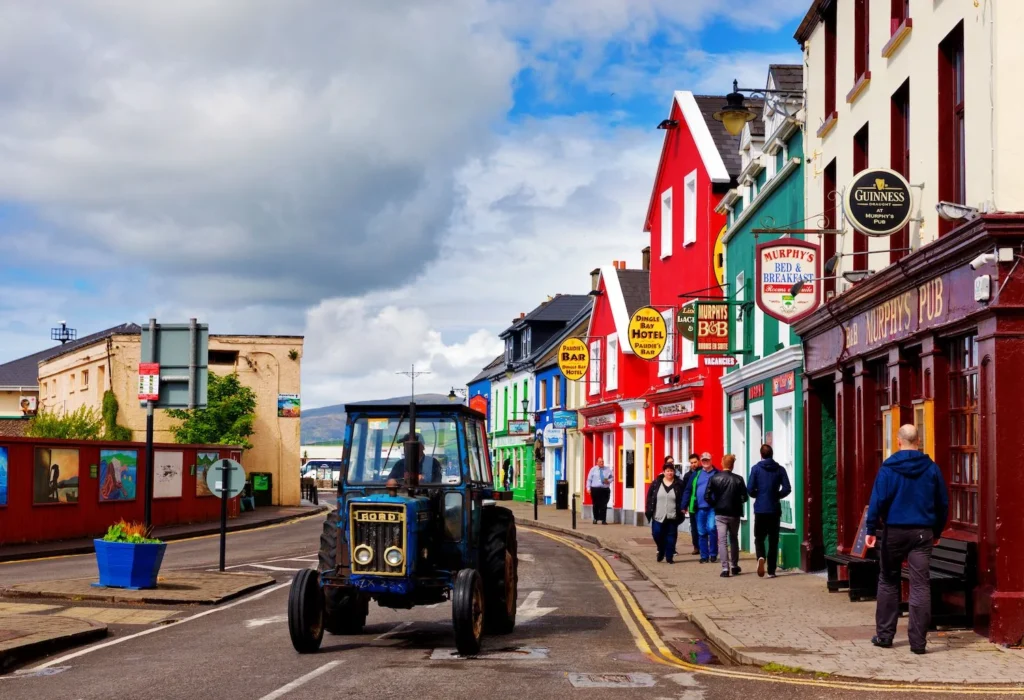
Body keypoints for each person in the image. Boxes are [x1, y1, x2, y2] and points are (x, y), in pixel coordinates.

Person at [866, 424, 949, 655]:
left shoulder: (888, 469)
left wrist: (871, 529)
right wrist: (937, 532)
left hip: (894, 532)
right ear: (918, 441)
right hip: (922, 532)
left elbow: (878, 500)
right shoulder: (931, 469)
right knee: (920, 585)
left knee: (888, 580)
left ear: (899, 441)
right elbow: (943, 503)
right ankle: (918, 643)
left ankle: (884, 636)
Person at [747, 444, 792, 578]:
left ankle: (761, 557)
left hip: (760, 509)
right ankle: (771, 570)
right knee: (773, 540)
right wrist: (777, 495)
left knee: (759, 537)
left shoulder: (755, 469)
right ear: (772, 454)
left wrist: (758, 495)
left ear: (761, 455)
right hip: (774, 509)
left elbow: (749, 489)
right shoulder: (780, 469)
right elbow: (787, 488)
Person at [705, 453, 748, 577]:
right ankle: (734, 566)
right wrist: (736, 502)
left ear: (722, 463)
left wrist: (716, 504)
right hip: (734, 513)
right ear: (732, 465)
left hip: (720, 513)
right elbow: (744, 497)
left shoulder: (714, 478)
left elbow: (707, 496)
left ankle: (725, 569)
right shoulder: (739, 479)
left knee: (722, 541)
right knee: (733, 539)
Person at [645, 460, 685, 564]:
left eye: (671, 471)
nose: (670, 473)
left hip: (673, 515)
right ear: (663, 472)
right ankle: (661, 549)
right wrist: (648, 509)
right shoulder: (656, 483)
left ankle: (669, 556)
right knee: (656, 533)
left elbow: (683, 497)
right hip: (658, 515)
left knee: (671, 536)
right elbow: (650, 497)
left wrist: (683, 507)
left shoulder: (679, 484)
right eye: (667, 471)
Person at [683, 452, 719, 563]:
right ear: (701, 461)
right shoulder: (696, 474)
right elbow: (688, 490)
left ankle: (713, 554)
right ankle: (704, 556)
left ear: (711, 460)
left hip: (713, 507)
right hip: (699, 508)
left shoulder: (717, 473)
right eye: (703, 460)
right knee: (701, 531)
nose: (705, 462)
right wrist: (683, 505)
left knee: (712, 528)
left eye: (707, 460)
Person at [679, 454, 702, 555]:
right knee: (694, 527)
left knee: (702, 526)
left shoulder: (703, 472)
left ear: (699, 461)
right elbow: (685, 491)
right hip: (692, 505)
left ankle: (703, 546)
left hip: (702, 504)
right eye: (691, 463)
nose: (693, 464)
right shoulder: (687, 476)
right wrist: (684, 505)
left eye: (695, 462)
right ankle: (696, 547)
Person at [586, 457, 613, 524]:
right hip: (595, 489)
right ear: (597, 462)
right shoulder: (593, 470)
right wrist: (588, 488)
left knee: (604, 504)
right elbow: (589, 479)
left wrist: (608, 481)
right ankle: (595, 518)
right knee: (596, 504)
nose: (602, 463)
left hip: (604, 489)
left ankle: (603, 520)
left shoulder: (607, 469)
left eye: (602, 461)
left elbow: (612, 478)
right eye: (600, 462)